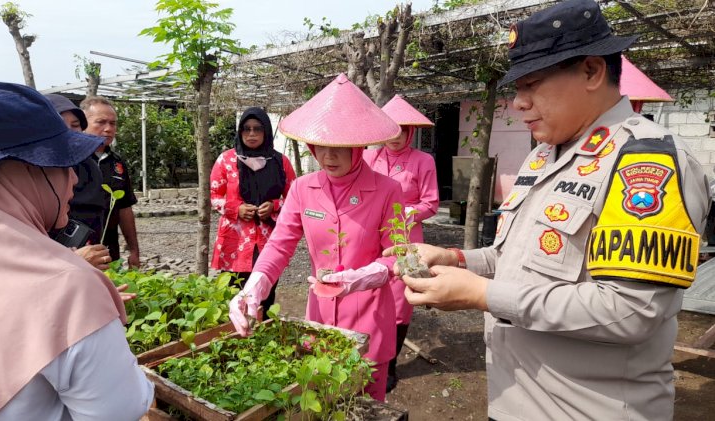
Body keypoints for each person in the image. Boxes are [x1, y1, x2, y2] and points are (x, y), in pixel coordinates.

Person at [387, 1, 710, 419]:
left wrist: (482, 295)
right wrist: (457, 258)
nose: (518, 103)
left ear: (592, 71)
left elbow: (631, 311)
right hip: (516, 397)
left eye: (532, 84)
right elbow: (519, 257)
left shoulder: (646, 163)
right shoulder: (545, 156)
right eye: (516, 88)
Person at [0, 82, 153, 420]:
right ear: (22, 172)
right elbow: (116, 411)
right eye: (63, 164)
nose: (73, 180)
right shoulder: (65, 286)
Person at [228, 73, 405, 401]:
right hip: (321, 319)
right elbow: (279, 244)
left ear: (359, 144)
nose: (328, 157)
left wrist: (360, 277)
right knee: (325, 402)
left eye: (339, 148)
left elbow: (396, 254)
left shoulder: (387, 190)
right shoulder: (302, 188)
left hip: (370, 319)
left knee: (367, 404)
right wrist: (254, 288)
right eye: (321, 146)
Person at [363, 94, 439, 392]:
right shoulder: (369, 156)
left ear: (411, 132)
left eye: (402, 130)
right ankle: (364, 357)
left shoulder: (423, 161)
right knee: (368, 291)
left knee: (399, 301)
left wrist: (411, 210)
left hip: (406, 239)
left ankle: (390, 365)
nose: (396, 137)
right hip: (371, 234)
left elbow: (432, 202)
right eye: (390, 129)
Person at [210, 107, 297, 319]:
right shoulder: (226, 160)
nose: (251, 134)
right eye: (246, 129)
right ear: (240, 132)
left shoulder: (280, 162)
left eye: (257, 129)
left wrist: (275, 205)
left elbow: (295, 198)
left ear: (266, 131)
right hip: (236, 242)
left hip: (269, 243)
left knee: (265, 294)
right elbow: (214, 195)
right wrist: (235, 208)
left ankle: (262, 339)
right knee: (232, 294)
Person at [46, 93, 112, 271]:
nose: (68, 131)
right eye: (59, 124)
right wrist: (71, 261)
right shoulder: (34, 173)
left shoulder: (89, 168)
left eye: (75, 125)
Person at [80, 96, 141, 268]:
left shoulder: (116, 163)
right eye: (101, 122)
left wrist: (134, 250)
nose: (108, 129)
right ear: (82, 124)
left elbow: (124, 207)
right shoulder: (70, 161)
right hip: (75, 252)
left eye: (113, 123)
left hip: (108, 253)